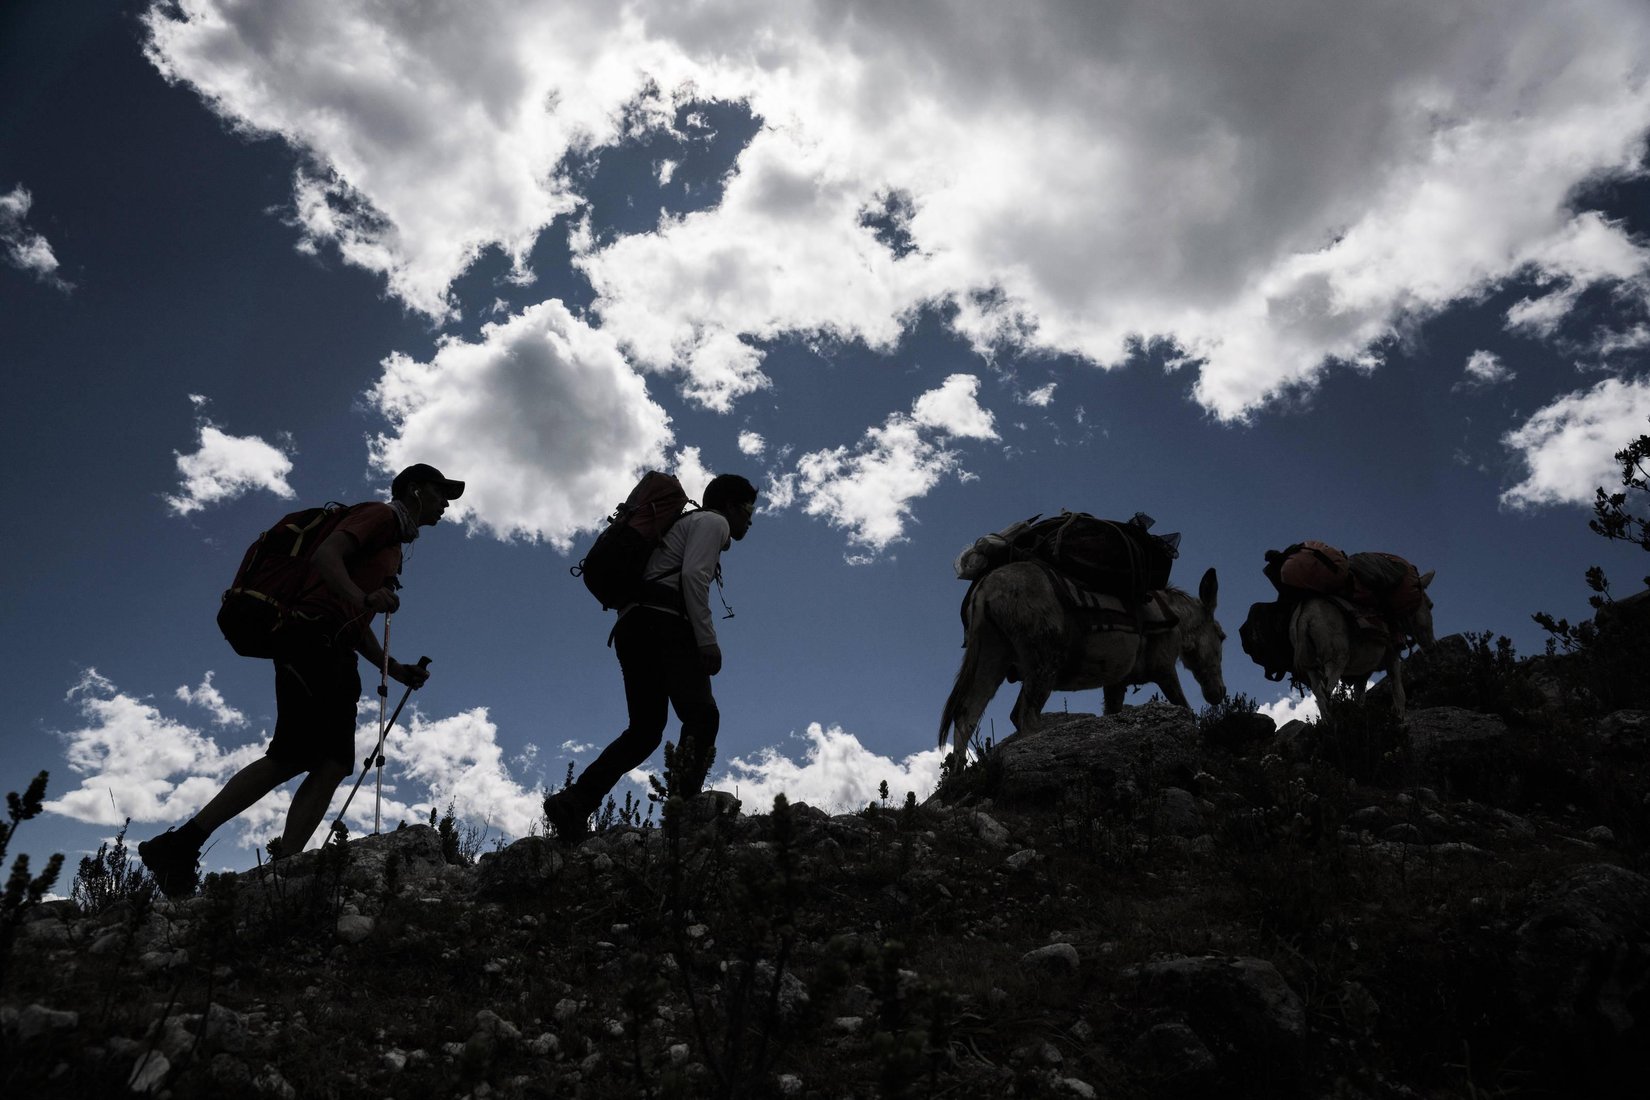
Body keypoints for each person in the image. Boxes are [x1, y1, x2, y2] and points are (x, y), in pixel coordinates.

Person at [138, 463, 465, 896]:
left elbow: (355, 617)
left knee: (328, 761)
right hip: (311, 638)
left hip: (330, 646)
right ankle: (189, 846)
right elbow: (325, 556)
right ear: (414, 489)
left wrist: (393, 666)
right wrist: (364, 596)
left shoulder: (393, 544)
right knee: (296, 754)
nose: (445, 503)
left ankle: (272, 864)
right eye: (440, 492)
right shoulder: (380, 517)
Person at [546, 473, 758, 839]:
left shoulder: (682, 525)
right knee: (702, 715)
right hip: (665, 623)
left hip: (632, 625)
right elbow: (693, 576)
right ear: (730, 505)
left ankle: (575, 802)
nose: (750, 519)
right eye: (748, 508)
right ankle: (683, 814)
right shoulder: (713, 521)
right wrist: (707, 640)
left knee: (644, 731)